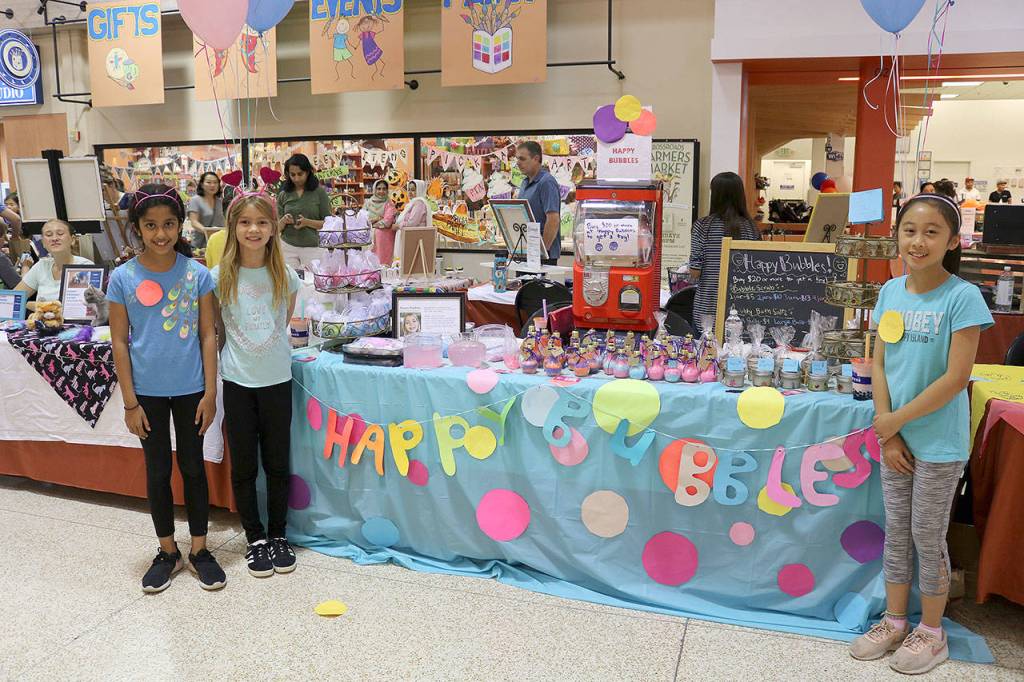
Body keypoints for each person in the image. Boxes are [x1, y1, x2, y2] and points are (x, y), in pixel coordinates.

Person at [849, 192, 992, 675]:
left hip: (939, 444)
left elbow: (955, 379)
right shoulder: (890, 291)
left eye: (932, 232)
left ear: (953, 241)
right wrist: (886, 431)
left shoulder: (963, 297)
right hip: (897, 440)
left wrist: (897, 421)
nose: (918, 241)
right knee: (896, 532)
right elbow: (882, 362)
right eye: (909, 230)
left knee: (927, 535)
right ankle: (894, 620)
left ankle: (932, 632)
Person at [106, 184, 225, 593]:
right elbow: (119, 341)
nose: (161, 234)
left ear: (179, 225)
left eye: (169, 224)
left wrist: (210, 393)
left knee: (193, 467)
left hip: (192, 389)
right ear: (137, 227)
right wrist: (129, 403)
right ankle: (166, 550)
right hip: (147, 395)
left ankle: (200, 548)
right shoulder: (123, 277)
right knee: (157, 471)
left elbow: (208, 335)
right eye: (151, 225)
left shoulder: (198, 274)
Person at [211, 193, 300, 579]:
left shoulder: (285, 274)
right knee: (245, 465)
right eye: (245, 222)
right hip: (238, 382)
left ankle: (279, 535)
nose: (253, 229)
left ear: (273, 228)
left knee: (278, 463)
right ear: (233, 227)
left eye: (262, 222)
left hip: (277, 380)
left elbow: (284, 322)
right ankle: (256, 538)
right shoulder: (218, 277)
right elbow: (216, 328)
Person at [689, 172, 761, 333]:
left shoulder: (704, 226)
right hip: (744, 309)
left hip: (708, 308)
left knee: (706, 354)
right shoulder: (752, 228)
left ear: (715, 195)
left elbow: (695, 271)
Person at [15, 219, 93, 310]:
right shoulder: (41, 266)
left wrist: (33, 305)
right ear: (43, 243)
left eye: (60, 234)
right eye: (48, 235)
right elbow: (14, 298)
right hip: (42, 322)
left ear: (72, 240)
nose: (54, 238)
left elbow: (75, 308)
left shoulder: (85, 266)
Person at [277, 154, 332, 269]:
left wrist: (307, 222)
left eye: (300, 174)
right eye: (292, 175)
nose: (296, 178)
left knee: (315, 283)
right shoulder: (283, 195)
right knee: (290, 283)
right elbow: (276, 227)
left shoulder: (319, 193)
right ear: (288, 174)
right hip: (288, 247)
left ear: (308, 172)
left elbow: (328, 223)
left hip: (314, 248)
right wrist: (283, 221)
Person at [515, 141, 562, 264]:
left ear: (536, 159)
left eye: (522, 159)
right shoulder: (525, 183)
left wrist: (542, 252)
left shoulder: (546, 182)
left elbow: (553, 219)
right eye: (517, 159)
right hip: (527, 251)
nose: (518, 163)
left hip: (542, 255)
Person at [186, 172, 225, 249]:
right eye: (208, 182)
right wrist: (207, 231)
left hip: (218, 243)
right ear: (202, 184)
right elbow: (194, 222)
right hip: (200, 244)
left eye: (215, 182)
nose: (212, 185)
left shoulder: (219, 201)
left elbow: (223, 220)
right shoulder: (195, 200)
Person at [367, 179, 397, 264]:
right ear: (374, 190)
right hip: (370, 237)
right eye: (379, 188)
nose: (381, 191)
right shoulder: (368, 203)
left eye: (384, 189)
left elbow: (387, 222)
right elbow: (363, 219)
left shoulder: (389, 204)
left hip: (385, 237)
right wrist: (377, 218)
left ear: (387, 190)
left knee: (383, 264)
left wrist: (372, 223)